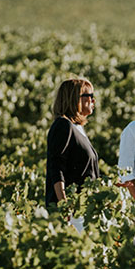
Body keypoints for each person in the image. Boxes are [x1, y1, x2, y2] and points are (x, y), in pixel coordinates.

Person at [45, 78, 100, 206]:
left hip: (85, 207)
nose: (93, 101)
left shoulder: (78, 128)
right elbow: (57, 167)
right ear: (76, 98)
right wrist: (64, 204)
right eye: (90, 96)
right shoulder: (63, 125)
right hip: (73, 209)